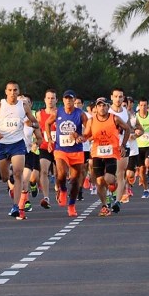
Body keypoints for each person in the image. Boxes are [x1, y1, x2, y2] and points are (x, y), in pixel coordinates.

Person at [0, 81, 38, 220]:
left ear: (18, 92)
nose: (13, 93)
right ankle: (9, 178)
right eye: (10, 90)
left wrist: (32, 123)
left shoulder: (23, 106)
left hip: (18, 144)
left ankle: (16, 206)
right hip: (2, 144)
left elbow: (35, 122)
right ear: (6, 92)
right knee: (5, 177)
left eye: (15, 90)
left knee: (19, 174)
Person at [40, 89, 88, 218]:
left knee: (75, 181)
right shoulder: (58, 112)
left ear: (74, 100)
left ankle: (71, 205)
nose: (68, 101)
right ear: (63, 100)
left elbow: (89, 129)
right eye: (66, 99)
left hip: (76, 150)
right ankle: (63, 189)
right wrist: (50, 140)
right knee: (61, 173)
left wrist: (81, 136)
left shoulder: (80, 114)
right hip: (61, 149)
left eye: (70, 99)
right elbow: (47, 123)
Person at [82, 97, 130, 217]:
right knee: (99, 181)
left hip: (111, 153)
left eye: (104, 105)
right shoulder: (91, 121)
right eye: (99, 106)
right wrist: (79, 138)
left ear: (108, 107)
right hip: (97, 154)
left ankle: (114, 184)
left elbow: (127, 129)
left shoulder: (114, 118)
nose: (102, 108)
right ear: (96, 108)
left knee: (108, 179)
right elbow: (86, 135)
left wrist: (123, 145)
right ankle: (104, 206)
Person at [36, 89, 58, 209]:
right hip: (45, 147)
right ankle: (46, 197)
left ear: (56, 100)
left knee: (60, 174)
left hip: (59, 148)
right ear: (44, 100)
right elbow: (36, 129)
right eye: (48, 98)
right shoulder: (39, 114)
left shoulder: (60, 113)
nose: (50, 100)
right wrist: (36, 141)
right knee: (44, 171)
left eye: (52, 98)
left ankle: (59, 189)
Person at [133, 98, 149, 199]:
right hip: (138, 145)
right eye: (141, 105)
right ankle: (146, 189)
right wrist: (135, 132)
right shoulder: (135, 117)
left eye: (145, 105)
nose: (143, 107)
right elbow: (131, 128)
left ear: (148, 106)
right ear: (139, 106)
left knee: (148, 163)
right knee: (141, 170)